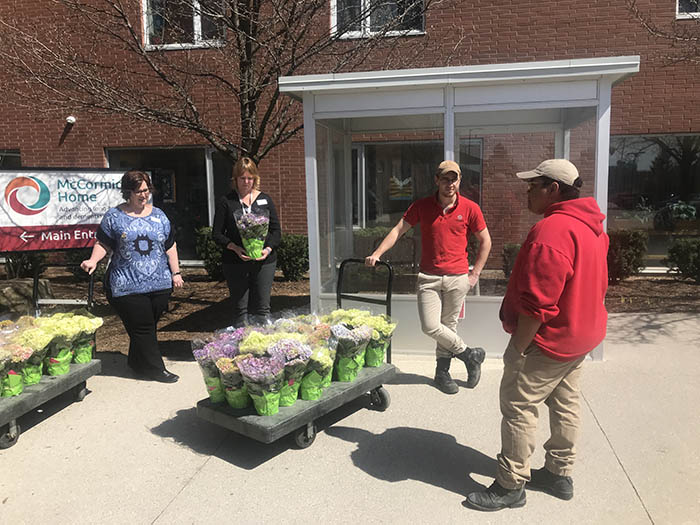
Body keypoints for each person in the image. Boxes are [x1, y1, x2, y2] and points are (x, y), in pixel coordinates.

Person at [466, 159, 609, 511]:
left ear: (554, 190)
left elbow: (537, 305)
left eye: (534, 185)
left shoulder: (553, 232)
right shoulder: (594, 229)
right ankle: (558, 474)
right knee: (565, 403)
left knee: (518, 405)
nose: (527, 191)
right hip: (581, 337)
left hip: (550, 341)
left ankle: (510, 484)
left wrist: (517, 348)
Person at [366, 160, 492, 394]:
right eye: (445, 178)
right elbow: (398, 230)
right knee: (430, 326)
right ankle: (469, 355)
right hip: (429, 278)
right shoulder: (421, 206)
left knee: (449, 326)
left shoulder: (470, 208)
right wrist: (377, 253)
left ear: (460, 180)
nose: (450, 183)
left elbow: (485, 241)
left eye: (454, 179)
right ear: (437, 180)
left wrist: (474, 274)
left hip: (457, 277)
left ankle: (441, 374)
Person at [80, 170, 184, 383]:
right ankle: (156, 369)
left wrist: (176, 272)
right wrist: (93, 260)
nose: (143, 195)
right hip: (126, 284)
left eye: (146, 190)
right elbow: (103, 243)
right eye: (138, 191)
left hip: (160, 283)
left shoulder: (159, 215)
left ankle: (137, 363)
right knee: (143, 327)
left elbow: (170, 245)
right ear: (127, 192)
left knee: (145, 326)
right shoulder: (114, 216)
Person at [212, 157, 281, 327]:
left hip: (263, 261)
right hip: (235, 262)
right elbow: (216, 234)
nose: (246, 182)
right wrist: (234, 248)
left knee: (262, 308)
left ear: (255, 179)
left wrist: (268, 249)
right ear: (235, 179)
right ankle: (242, 345)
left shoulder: (265, 199)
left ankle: (263, 345)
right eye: (242, 178)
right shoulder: (226, 201)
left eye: (250, 178)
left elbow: (276, 231)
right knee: (240, 309)